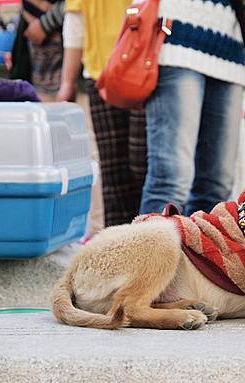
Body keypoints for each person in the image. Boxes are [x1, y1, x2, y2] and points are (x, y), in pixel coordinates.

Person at [139, 0, 245, 216]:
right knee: (170, 181)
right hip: (176, 37)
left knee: (217, 185)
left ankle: (197, 250)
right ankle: (151, 249)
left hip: (228, 50)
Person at [58, 0, 147, 227]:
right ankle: (118, 251)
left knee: (143, 165)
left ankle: (149, 240)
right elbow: (75, 21)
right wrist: (67, 82)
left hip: (146, 70)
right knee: (113, 174)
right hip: (102, 74)